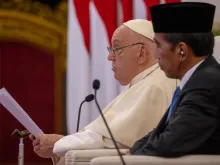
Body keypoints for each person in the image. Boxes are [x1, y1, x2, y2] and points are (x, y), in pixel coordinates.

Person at [29, 19, 177, 161]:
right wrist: (58, 145)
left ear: (141, 53)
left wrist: (58, 143)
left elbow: (107, 141)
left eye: (116, 48)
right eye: (110, 49)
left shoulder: (154, 86)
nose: (110, 56)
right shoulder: (146, 82)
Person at [128, 2, 220, 157]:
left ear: (181, 50)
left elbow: (169, 143)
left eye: (158, 45)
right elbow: (163, 131)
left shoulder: (206, 83)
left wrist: (128, 159)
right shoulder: (198, 78)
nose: (156, 54)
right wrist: (131, 152)